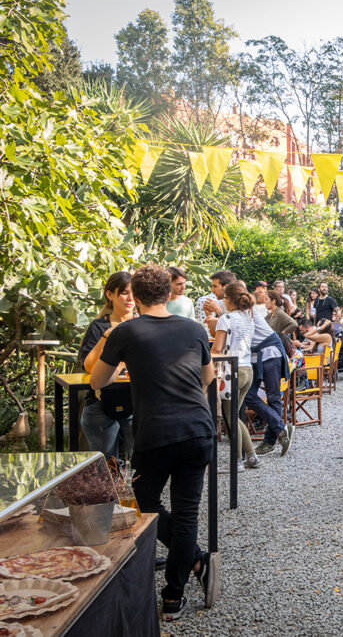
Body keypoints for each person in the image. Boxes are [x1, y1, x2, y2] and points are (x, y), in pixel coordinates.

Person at [89, 264, 220, 620]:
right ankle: (174, 596)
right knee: (187, 511)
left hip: (156, 433)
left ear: (137, 294)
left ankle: (194, 558)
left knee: (143, 506)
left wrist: (113, 345)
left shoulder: (126, 331)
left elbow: (98, 380)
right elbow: (207, 378)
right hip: (197, 429)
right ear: (168, 293)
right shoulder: (194, 329)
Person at [77, 271, 136, 459]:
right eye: (124, 292)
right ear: (110, 295)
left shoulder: (144, 325)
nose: (130, 298)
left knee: (140, 464)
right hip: (101, 403)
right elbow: (88, 366)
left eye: (134, 292)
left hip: (138, 402)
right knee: (107, 466)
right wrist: (109, 335)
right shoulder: (98, 327)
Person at [211, 282, 260, 470]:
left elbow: (217, 348)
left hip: (232, 371)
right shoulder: (248, 317)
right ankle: (252, 456)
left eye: (224, 298)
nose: (222, 301)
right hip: (247, 369)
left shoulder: (226, 318)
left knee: (229, 416)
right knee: (234, 415)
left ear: (229, 299)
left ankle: (236, 462)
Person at [247, 301, 294, 458]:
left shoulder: (247, 309)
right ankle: (280, 428)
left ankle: (269, 442)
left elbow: (293, 323)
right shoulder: (262, 313)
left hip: (269, 355)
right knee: (251, 396)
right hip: (257, 357)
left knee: (272, 397)